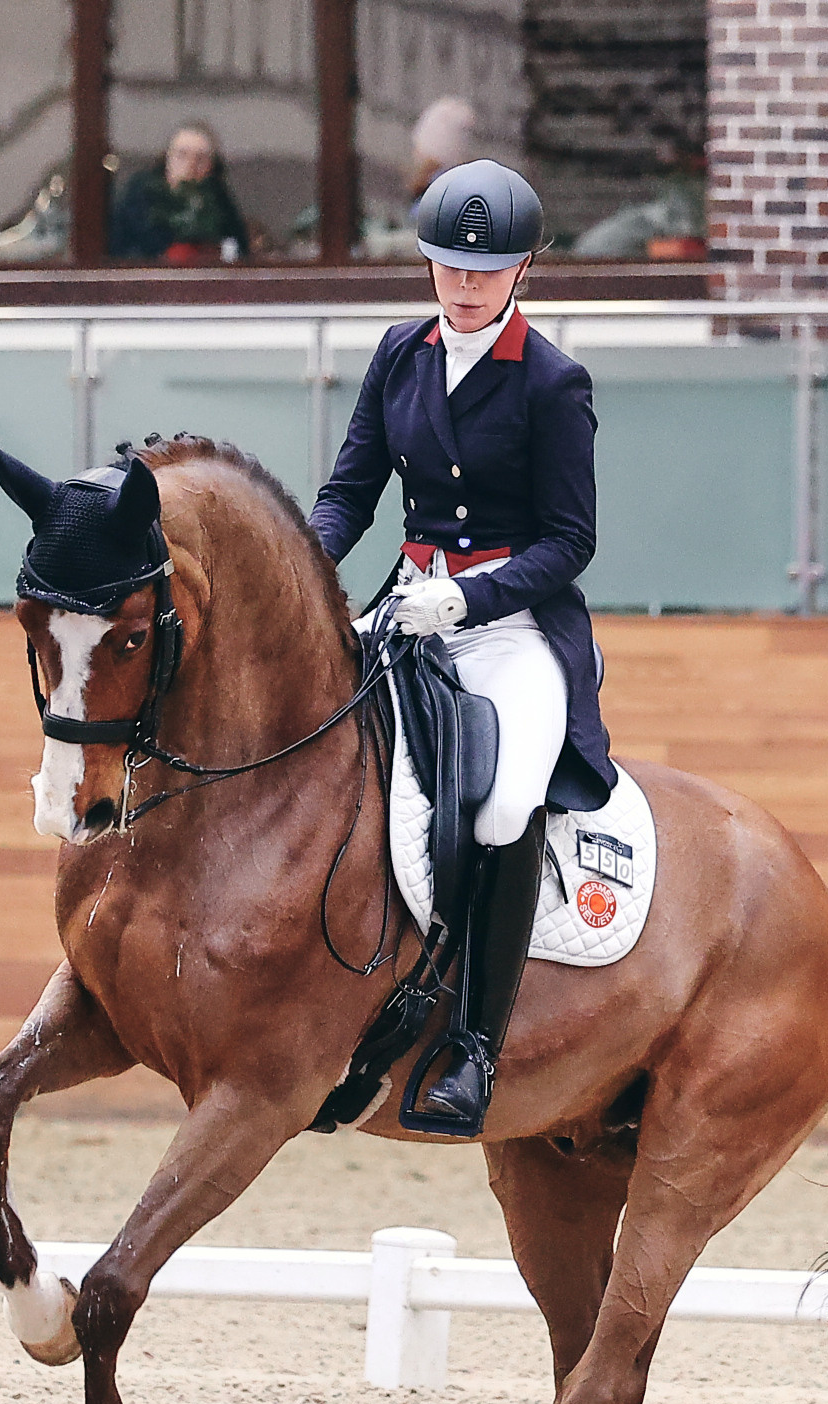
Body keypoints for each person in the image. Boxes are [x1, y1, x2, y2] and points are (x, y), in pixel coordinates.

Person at [308, 158, 615, 1135]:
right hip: (405, 610)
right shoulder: (399, 353)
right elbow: (350, 491)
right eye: (449, 265)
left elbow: (570, 541)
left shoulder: (553, 382)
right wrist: (302, 570)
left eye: (486, 269)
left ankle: (475, 1048)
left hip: (509, 629)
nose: (466, 283)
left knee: (505, 803)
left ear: (523, 269)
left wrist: (471, 596)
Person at [109, 124, 250, 263]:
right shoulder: (141, 192)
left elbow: (239, 246)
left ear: (211, 165)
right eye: (182, 155)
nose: (191, 164)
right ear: (167, 158)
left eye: (200, 158)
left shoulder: (217, 197)